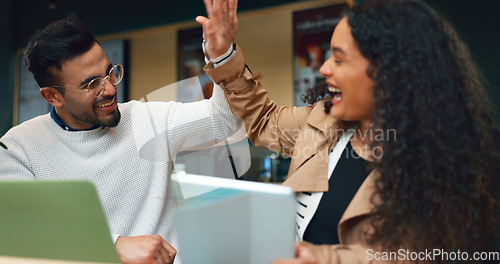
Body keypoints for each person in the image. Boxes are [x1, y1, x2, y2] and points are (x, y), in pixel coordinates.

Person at [196, 0, 499, 263]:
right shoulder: (323, 122)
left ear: (390, 75)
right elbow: (263, 120)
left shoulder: (444, 164)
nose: (325, 68)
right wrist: (223, 56)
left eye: (340, 59)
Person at [0, 14, 243, 264]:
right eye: (91, 84)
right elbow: (15, 233)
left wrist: (224, 58)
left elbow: (229, 122)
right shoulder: (18, 148)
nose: (110, 89)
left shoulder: (149, 120)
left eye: (109, 73)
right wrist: (111, 246)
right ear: (52, 96)